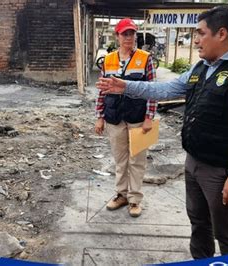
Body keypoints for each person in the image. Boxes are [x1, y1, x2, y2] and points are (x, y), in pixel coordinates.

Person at [96, 6, 228, 258]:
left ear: (221, 34)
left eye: (200, 33)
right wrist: (125, 86)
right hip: (193, 163)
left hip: (221, 171)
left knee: (227, 234)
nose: (196, 40)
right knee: (199, 225)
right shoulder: (201, 69)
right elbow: (164, 91)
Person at [95, 18, 157, 217]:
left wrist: (150, 117)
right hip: (115, 118)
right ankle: (121, 195)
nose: (128, 37)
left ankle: (134, 200)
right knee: (120, 160)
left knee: (137, 160)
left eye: (131, 33)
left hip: (138, 118)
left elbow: (153, 90)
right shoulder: (108, 60)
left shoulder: (145, 58)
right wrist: (100, 117)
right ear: (117, 36)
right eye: (125, 34)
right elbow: (102, 91)